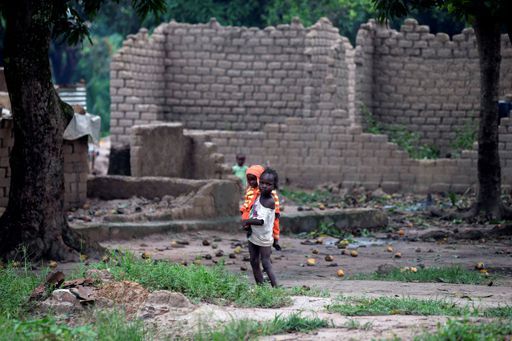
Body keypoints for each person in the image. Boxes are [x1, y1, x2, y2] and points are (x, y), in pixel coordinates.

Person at [242, 168, 279, 287]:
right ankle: (261, 287)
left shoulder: (269, 201)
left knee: (266, 262)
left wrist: (246, 221)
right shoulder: (258, 195)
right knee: (253, 261)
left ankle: (276, 288)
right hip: (254, 234)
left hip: (264, 238)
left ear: (274, 187)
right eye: (262, 182)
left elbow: (260, 221)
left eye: (268, 184)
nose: (264, 186)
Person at [240, 165, 281, 251]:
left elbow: (275, 201)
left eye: (254, 179)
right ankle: (249, 231)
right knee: (246, 219)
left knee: (275, 225)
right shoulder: (250, 190)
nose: (251, 182)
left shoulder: (264, 191)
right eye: (249, 180)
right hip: (251, 210)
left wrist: (276, 211)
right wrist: (244, 208)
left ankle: (276, 240)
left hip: (263, 213)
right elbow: (247, 200)